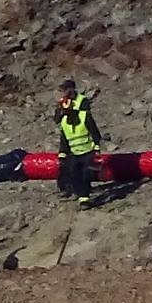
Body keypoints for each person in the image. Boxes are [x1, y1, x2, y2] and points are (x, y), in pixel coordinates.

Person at [56, 79, 102, 209]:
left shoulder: (83, 111)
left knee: (86, 173)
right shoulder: (65, 121)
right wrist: (62, 154)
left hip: (87, 150)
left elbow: (94, 132)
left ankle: (84, 198)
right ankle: (71, 190)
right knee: (72, 172)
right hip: (74, 151)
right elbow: (64, 139)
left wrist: (96, 148)